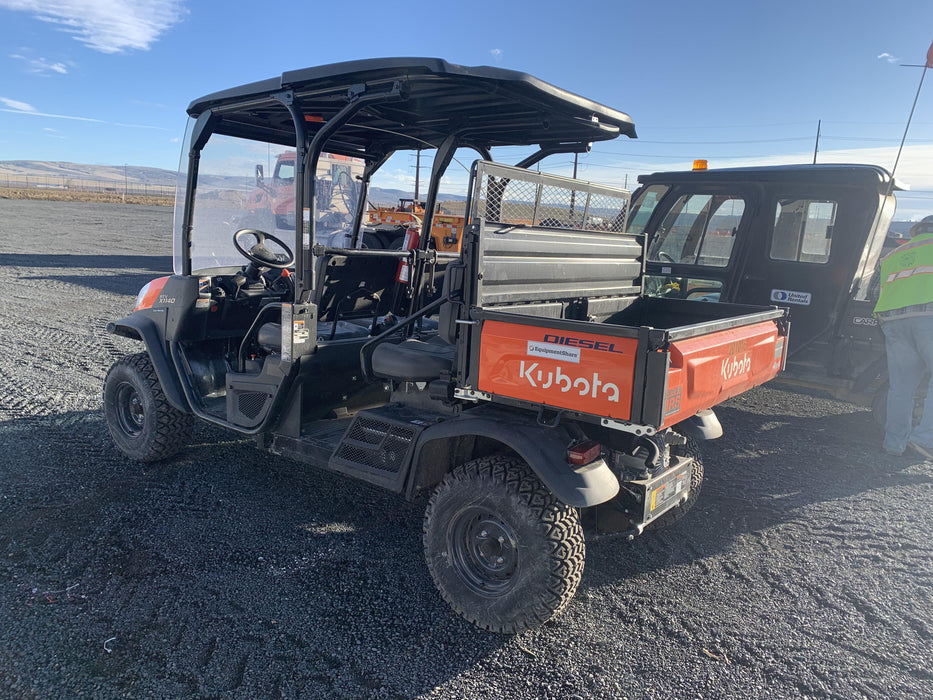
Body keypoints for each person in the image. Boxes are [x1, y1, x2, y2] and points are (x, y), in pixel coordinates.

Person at [874, 215, 933, 458]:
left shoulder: (892, 256)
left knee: (901, 387)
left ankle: (894, 443)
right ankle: (924, 440)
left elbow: (878, 292)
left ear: (916, 231)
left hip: (892, 321)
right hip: (929, 316)